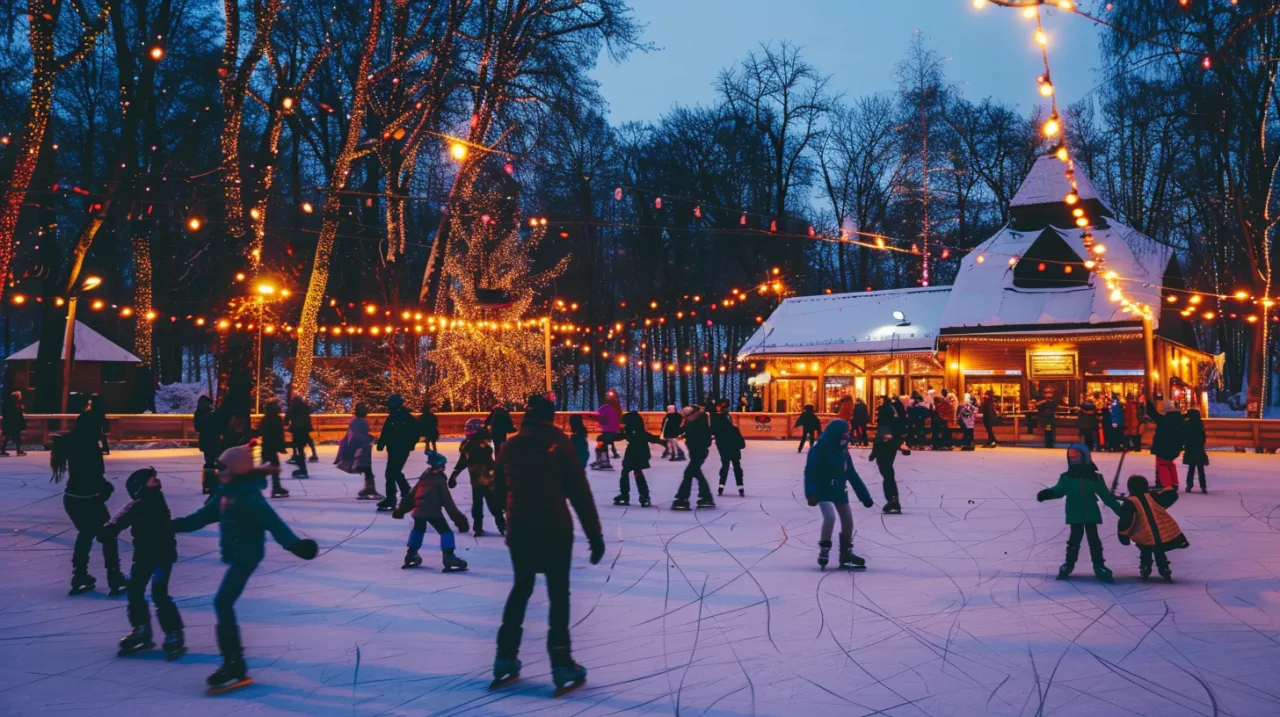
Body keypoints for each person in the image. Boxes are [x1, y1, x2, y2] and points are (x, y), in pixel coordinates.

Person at [171, 443, 318, 693]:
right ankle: (233, 663)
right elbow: (202, 516)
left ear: (236, 469)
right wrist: (172, 525)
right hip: (235, 552)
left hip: (247, 555)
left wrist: (296, 546)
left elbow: (275, 524)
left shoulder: (249, 497)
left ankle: (234, 665)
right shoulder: (225, 492)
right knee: (223, 604)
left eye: (222, 466)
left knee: (222, 603)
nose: (218, 470)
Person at [490, 394, 604, 694]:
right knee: (558, 593)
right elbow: (579, 492)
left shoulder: (510, 445)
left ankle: (505, 656)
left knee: (521, 588)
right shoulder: (559, 442)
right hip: (554, 527)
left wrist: (511, 513)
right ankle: (561, 661)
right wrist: (595, 536)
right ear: (551, 416)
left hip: (521, 529)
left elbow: (497, 488)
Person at [99, 468, 185, 660]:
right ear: (140, 487)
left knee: (159, 593)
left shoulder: (153, 500)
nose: (155, 479)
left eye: (154, 477)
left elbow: (125, 515)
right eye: (150, 479)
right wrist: (110, 528)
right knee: (135, 590)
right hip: (144, 555)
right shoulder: (139, 504)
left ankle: (173, 632)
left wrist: (111, 528)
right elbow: (122, 516)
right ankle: (141, 628)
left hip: (162, 555)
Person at [51, 416, 127, 596]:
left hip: (72, 498)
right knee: (109, 534)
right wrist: (106, 488)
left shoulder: (71, 442)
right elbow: (93, 474)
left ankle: (80, 576)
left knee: (85, 534)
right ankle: (114, 577)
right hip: (88, 499)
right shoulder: (89, 447)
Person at [1036, 444, 1123, 582]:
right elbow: (1059, 490)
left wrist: (1121, 511)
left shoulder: (1095, 478)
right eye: (1071, 457)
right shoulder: (1067, 478)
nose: (1073, 459)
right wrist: (1047, 493)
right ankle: (1069, 564)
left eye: (1076, 456)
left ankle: (1099, 565)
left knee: (1094, 541)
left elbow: (1106, 496)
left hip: (1091, 515)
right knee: (1074, 541)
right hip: (1075, 514)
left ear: (1085, 457)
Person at [804, 419, 875, 569]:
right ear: (834, 436)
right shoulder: (819, 449)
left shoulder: (843, 451)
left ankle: (846, 553)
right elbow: (810, 472)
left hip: (839, 490)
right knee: (830, 517)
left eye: (846, 438)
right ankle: (825, 548)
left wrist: (865, 497)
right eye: (842, 438)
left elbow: (852, 475)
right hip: (822, 489)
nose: (845, 441)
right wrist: (811, 493)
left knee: (848, 520)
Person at [395, 450, 470, 570]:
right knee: (446, 532)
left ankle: (411, 554)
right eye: (443, 465)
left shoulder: (425, 476)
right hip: (432, 511)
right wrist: (459, 520)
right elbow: (448, 502)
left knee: (418, 530)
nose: (444, 468)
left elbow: (412, 495)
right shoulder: (439, 480)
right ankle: (448, 556)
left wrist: (401, 509)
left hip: (419, 510)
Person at [1117, 475, 1189, 581]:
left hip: (1143, 534)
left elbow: (1126, 520)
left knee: (1146, 548)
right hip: (1161, 532)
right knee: (1159, 549)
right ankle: (1164, 567)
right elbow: (1170, 496)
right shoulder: (1152, 496)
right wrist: (1170, 488)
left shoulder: (1130, 502)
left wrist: (1123, 534)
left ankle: (1145, 566)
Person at [449, 419, 505, 536]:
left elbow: (485, 460)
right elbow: (463, 461)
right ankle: (479, 527)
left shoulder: (481, 443)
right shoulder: (468, 444)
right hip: (477, 480)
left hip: (487, 479)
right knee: (479, 504)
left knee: (492, 504)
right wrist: (454, 475)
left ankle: (501, 526)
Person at [376, 394, 421, 511]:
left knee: (392, 473)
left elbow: (416, 432)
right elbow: (385, 431)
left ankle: (394, 498)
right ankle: (405, 492)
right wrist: (381, 443)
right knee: (394, 472)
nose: (389, 406)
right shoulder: (392, 417)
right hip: (393, 448)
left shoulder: (406, 417)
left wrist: (410, 444)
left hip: (402, 449)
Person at [615, 411, 664, 506]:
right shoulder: (629, 429)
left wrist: (660, 441)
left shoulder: (637, 430)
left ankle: (641, 496)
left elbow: (648, 437)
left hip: (638, 453)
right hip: (634, 453)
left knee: (634, 473)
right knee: (629, 473)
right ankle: (633, 495)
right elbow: (620, 436)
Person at [672, 405, 715, 510]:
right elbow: (681, 431)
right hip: (697, 452)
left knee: (688, 474)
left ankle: (682, 498)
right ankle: (706, 497)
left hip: (699, 452)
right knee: (696, 473)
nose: (684, 418)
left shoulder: (698, 422)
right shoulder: (693, 421)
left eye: (686, 416)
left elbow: (704, 438)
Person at [337, 403, 381, 501]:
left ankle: (369, 488)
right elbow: (356, 435)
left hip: (362, 448)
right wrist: (368, 438)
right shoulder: (358, 422)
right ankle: (370, 489)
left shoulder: (359, 422)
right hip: (360, 449)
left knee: (367, 469)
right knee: (367, 469)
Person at [868, 418, 908, 514]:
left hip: (883, 458)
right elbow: (896, 443)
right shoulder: (890, 432)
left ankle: (892, 499)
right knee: (889, 477)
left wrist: (872, 455)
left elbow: (877, 445)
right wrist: (903, 449)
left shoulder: (883, 432)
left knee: (888, 478)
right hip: (887, 457)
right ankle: (893, 499)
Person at [254, 399, 290, 498]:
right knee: (272, 467)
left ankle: (275, 487)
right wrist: (281, 446)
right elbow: (278, 434)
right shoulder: (275, 419)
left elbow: (260, 431)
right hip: (271, 446)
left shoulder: (267, 418)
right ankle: (274, 487)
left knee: (270, 467)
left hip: (267, 446)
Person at [1147, 397, 1183, 491]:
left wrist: (1149, 403)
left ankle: (1166, 484)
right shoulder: (1178, 419)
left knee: (1162, 465)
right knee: (1170, 464)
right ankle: (1174, 483)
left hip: (1163, 447)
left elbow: (1153, 415)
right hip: (1175, 447)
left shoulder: (1164, 420)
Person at [711, 401, 747, 497]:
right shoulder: (734, 430)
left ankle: (721, 486)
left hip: (724, 449)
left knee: (725, 466)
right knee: (737, 468)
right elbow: (742, 444)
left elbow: (713, 432)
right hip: (734, 450)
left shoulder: (720, 431)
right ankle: (740, 487)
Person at [586, 391, 622, 469]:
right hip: (613, 431)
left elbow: (603, 419)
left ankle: (603, 461)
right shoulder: (613, 407)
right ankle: (602, 460)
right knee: (602, 441)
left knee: (601, 442)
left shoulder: (606, 408)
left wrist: (591, 417)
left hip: (611, 431)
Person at [194, 395, 220, 493]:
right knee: (215, 463)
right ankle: (215, 484)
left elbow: (197, 428)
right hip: (214, 440)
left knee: (208, 463)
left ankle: (207, 486)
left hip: (205, 440)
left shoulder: (198, 412)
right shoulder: (212, 413)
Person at [284, 395, 314, 477]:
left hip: (296, 430)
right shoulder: (305, 408)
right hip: (305, 429)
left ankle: (302, 469)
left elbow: (286, 420)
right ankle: (303, 467)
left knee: (298, 447)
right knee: (302, 447)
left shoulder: (292, 409)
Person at [1181, 408, 1209, 493]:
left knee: (1191, 468)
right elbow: (1203, 438)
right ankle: (1203, 486)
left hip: (1190, 448)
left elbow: (1184, 435)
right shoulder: (1200, 424)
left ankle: (1189, 485)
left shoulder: (1187, 424)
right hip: (1199, 448)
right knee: (1200, 469)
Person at [0, 390, 26, 456]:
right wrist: (20, 409)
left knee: (8, 437)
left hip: (9, 423)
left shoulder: (9, 403)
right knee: (16, 437)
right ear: (16, 396)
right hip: (13, 424)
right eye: (20, 395)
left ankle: (3, 450)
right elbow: (14, 414)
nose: (21, 396)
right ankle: (18, 451)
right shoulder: (14, 404)